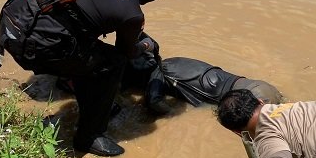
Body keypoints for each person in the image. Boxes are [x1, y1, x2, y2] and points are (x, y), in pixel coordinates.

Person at [0, 0, 175, 156]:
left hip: (14, 19)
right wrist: (147, 45)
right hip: (31, 44)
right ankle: (88, 138)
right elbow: (126, 52)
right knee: (113, 63)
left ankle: (88, 104)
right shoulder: (132, 13)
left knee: (88, 47)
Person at [119, 44, 284, 115]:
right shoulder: (171, 62)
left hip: (252, 98)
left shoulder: (158, 73)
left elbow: (155, 103)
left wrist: (174, 114)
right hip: (260, 87)